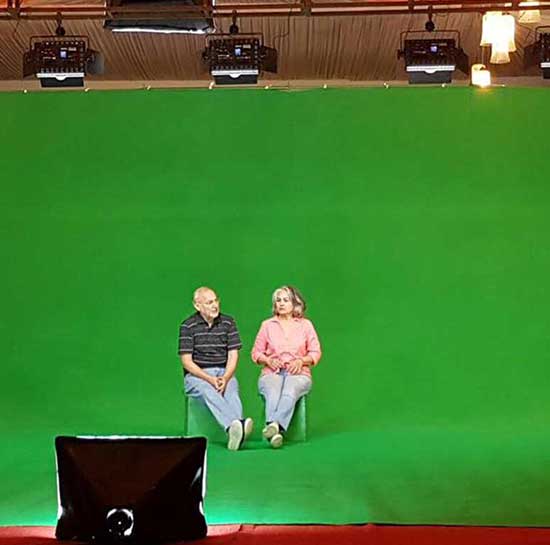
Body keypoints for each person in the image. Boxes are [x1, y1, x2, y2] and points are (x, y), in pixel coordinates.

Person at [179, 286, 253, 451]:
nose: (214, 305)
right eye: (209, 302)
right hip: (197, 376)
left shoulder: (228, 322)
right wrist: (209, 379)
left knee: (231, 389)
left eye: (216, 301)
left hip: (223, 371)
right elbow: (187, 362)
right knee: (208, 390)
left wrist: (226, 377)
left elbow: (233, 355)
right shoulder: (188, 326)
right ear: (197, 305)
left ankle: (237, 430)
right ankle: (234, 426)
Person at [252, 286, 322, 448]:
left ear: (295, 304)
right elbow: (256, 353)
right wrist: (268, 360)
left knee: (290, 390)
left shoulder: (306, 325)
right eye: (278, 300)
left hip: (299, 373)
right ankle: (275, 432)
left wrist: (301, 361)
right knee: (273, 391)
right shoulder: (267, 325)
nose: (281, 304)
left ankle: (273, 426)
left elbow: (315, 352)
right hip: (272, 372)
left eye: (286, 300)